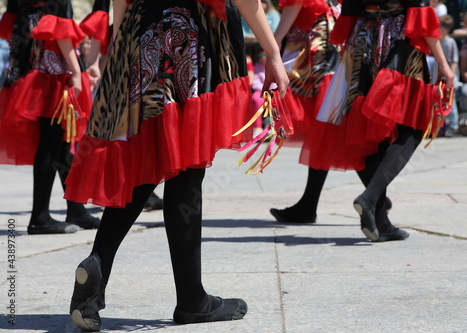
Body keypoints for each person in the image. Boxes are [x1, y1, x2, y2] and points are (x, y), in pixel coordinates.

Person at [66, 0, 288, 331]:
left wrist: (124, 45)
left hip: (140, 32)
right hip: (188, 34)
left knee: (146, 159)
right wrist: (272, 53)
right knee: (186, 166)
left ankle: (97, 268)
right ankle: (191, 300)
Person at [278, 0, 454, 242]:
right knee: (413, 125)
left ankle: (380, 220)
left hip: (360, 40)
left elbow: (348, 10)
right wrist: (443, 64)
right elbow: (420, 11)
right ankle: (370, 198)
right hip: (398, 40)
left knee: (369, 125)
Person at [0, 0, 100, 234]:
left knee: (63, 140)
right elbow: (58, 25)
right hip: (55, 69)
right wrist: (77, 72)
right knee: (52, 141)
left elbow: (12, 21)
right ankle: (40, 217)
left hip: (34, 65)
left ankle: (75, 208)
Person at [269, 0, 341, 224]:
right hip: (327, 31)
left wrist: (274, 40)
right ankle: (374, 195)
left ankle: (374, 195)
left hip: (313, 38)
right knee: (326, 126)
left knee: (324, 125)